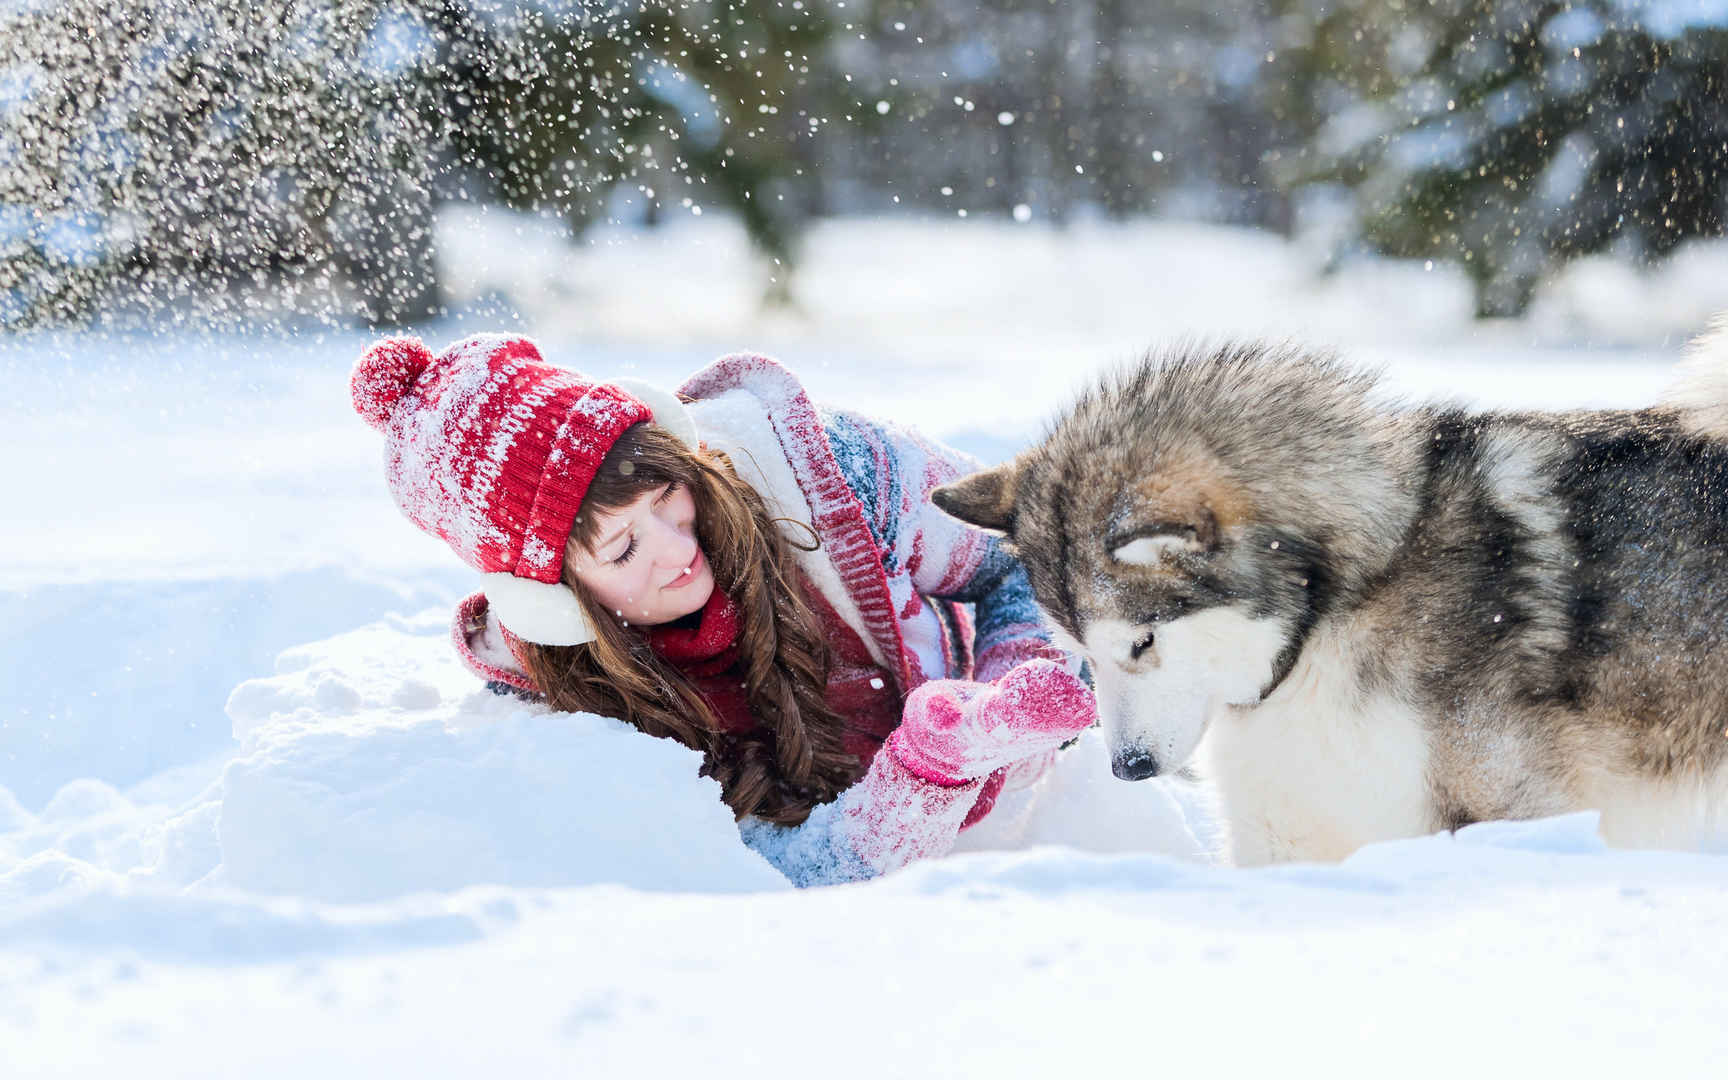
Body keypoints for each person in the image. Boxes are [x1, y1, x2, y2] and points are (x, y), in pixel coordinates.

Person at [350, 332, 1106, 886]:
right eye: (621, 551)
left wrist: (1015, 695)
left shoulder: (828, 473)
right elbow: (770, 878)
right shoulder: (568, 703)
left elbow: (1025, 547)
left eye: (667, 497)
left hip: (1033, 839)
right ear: (551, 602)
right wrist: (932, 769)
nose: (677, 551)